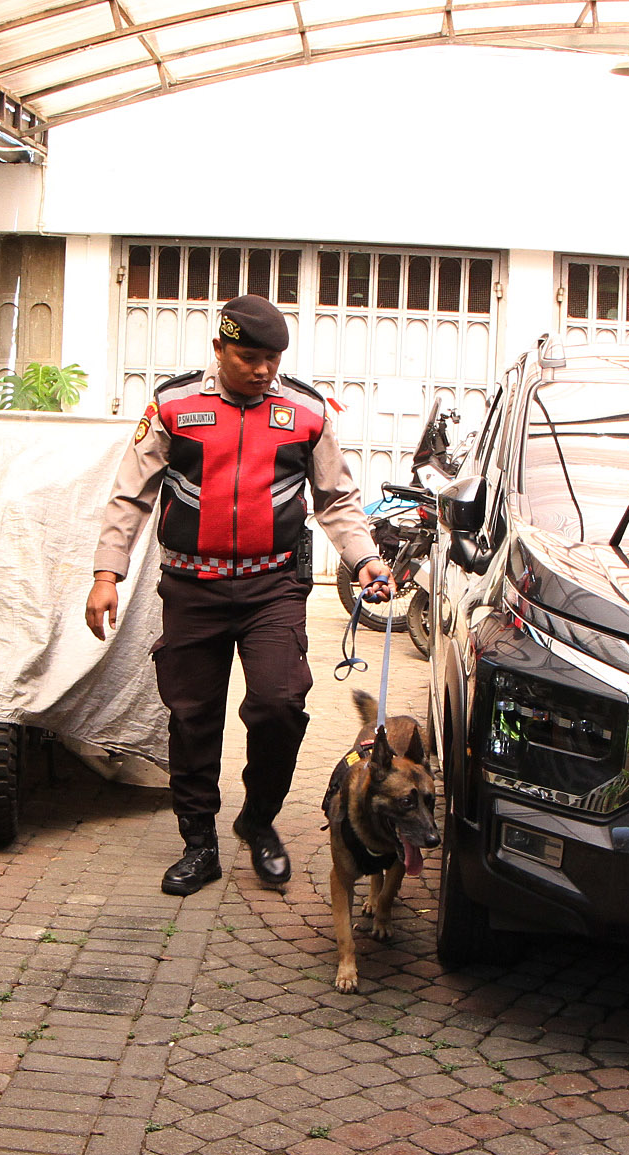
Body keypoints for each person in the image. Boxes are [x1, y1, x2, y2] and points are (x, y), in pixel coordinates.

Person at [86, 295, 392, 896]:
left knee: (280, 705)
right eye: (249, 357)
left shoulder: (305, 411)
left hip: (273, 585)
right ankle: (199, 843)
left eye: (272, 359)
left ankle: (258, 820)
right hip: (191, 587)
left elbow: (336, 499)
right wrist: (107, 574)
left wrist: (365, 559)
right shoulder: (173, 406)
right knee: (193, 716)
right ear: (220, 350)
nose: (262, 371)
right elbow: (131, 495)